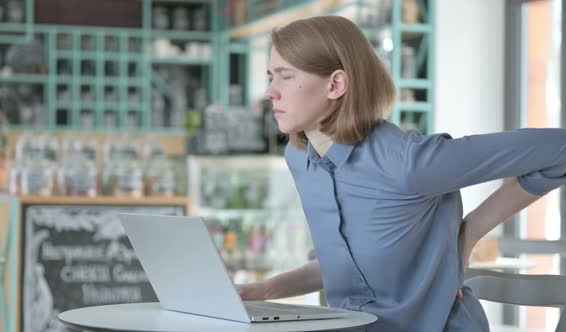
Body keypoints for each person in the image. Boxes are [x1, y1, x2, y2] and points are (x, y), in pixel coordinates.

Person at [236, 15, 566, 332]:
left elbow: (560, 150)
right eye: (270, 76)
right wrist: (262, 290)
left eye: (285, 76)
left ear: (335, 84)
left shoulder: (407, 163)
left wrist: (469, 234)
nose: (270, 92)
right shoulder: (301, 158)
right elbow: (350, 270)